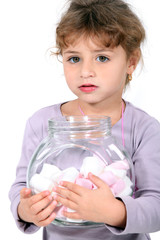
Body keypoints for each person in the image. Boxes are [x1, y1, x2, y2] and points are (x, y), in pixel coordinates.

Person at [9, 0, 160, 239]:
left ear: (131, 62)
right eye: (74, 58)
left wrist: (112, 210)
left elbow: (156, 206)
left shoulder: (143, 129)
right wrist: (25, 209)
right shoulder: (42, 123)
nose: (85, 71)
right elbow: (21, 187)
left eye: (101, 58)